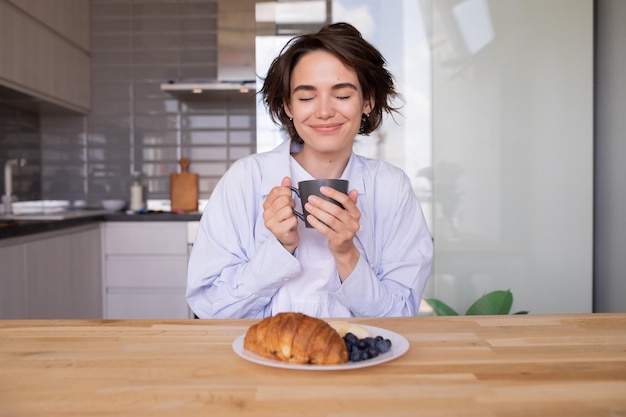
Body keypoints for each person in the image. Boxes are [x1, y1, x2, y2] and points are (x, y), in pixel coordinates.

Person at [186, 22, 433, 319]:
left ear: (367, 101)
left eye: (342, 96)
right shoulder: (245, 180)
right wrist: (279, 248)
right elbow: (211, 309)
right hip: (259, 361)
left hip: (356, 363)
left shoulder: (391, 188)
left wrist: (346, 253)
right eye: (306, 97)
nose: (324, 111)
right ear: (288, 106)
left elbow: (401, 316)